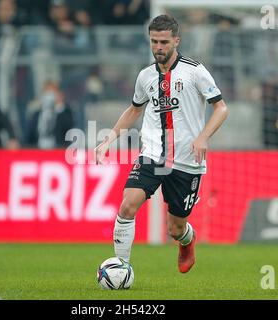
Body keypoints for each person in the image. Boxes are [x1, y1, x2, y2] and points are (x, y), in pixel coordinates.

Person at [94, 15, 228, 273]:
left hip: (187, 161)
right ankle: (121, 267)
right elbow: (134, 111)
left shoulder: (195, 71)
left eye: (164, 42)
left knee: (175, 228)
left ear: (176, 41)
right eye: (154, 41)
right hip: (153, 155)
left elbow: (221, 109)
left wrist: (203, 137)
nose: (158, 47)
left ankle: (187, 241)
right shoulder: (145, 76)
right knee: (127, 204)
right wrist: (109, 139)